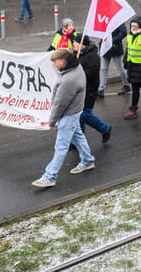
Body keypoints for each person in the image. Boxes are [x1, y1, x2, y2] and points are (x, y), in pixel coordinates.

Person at [32, 49, 95, 187]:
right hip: (75, 111)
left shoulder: (69, 80)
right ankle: (87, 160)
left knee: (61, 147)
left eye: (55, 63)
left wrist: (52, 121)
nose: (54, 65)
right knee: (78, 135)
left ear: (63, 61)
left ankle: (49, 176)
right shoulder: (76, 67)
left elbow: (60, 104)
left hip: (68, 115)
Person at [77, 37, 112, 144]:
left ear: (82, 44)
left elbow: (90, 74)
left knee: (84, 114)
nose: (73, 44)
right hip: (80, 89)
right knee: (79, 115)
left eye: (75, 42)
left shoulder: (93, 57)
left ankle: (105, 128)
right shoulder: (78, 54)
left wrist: (76, 75)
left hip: (89, 90)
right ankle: (78, 139)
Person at [99, 24, 130, 97]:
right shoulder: (103, 19)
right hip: (105, 48)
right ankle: (101, 89)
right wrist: (101, 43)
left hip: (115, 48)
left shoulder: (117, 19)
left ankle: (126, 85)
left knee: (120, 67)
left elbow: (124, 32)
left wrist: (112, 40)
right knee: (103, 68)